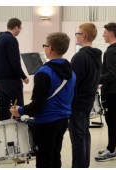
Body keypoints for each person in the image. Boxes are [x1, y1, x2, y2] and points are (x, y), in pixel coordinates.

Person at [11, 32, 76, 168]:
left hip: (46, 122)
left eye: (45, 45)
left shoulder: (43, 73)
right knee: (55, 154)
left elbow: (37, 105)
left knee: (44, 158)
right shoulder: (71, 72)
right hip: (63, 120)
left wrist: (21, 110)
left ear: (50, 48)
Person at [68, 23, 102, 168]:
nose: (76, 36)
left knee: (78, 137)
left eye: (78, 33)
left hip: (78, 102)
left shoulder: (80, 57)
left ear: (84, 36)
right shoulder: (96, 55)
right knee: (83, 134)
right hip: (88, 100)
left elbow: (72, 82)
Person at [95, 22, 116, 162]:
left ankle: (111, 150)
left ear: (111, 34)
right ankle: (111, 147)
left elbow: (111, 73)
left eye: (105, 32)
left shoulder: (112, 51)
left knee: (112, 120)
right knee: (112, 120)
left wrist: (96, 81)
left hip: (113, 90)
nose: (103, 35)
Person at [0, 18, 29, 121]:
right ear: (16, 27)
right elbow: (15, 62)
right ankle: (18, 131)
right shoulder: (12, 39)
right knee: (17, 107)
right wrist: (23, 76)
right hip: (11, 80)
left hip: (0, 79)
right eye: (20, 28)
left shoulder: (0, 38)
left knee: (3, 107)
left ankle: (2, 131)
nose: (20, 31)